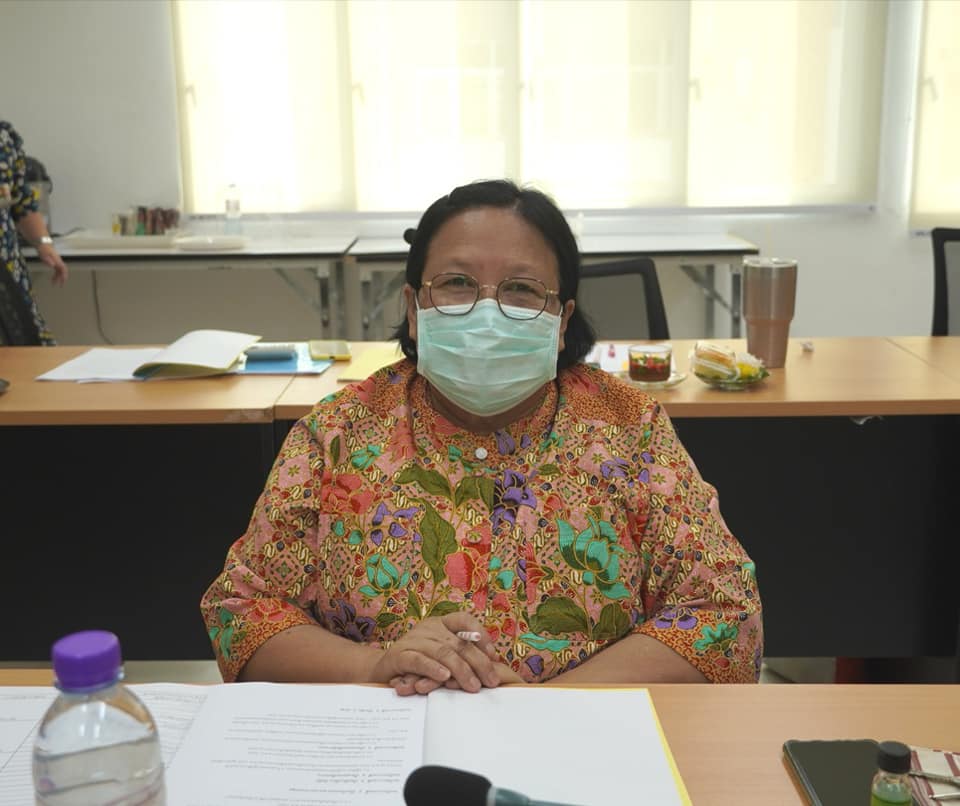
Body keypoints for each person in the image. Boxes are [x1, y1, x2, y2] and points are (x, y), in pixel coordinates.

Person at [202, 179, 763, 693]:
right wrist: (370, 668)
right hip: (382, 742)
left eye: (521, 289)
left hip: (575, 742)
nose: (487, 313)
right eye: (456, 283)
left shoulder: (629, 430)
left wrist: (549, 705)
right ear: (413, 309)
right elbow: (242, 610)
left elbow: (725, 610)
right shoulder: (337, 432)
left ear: (562, 319)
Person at [0, 120, 68, 345]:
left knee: (27, 347)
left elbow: (22, 203)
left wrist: (45, 243)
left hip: (7, 273)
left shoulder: (4, 138)